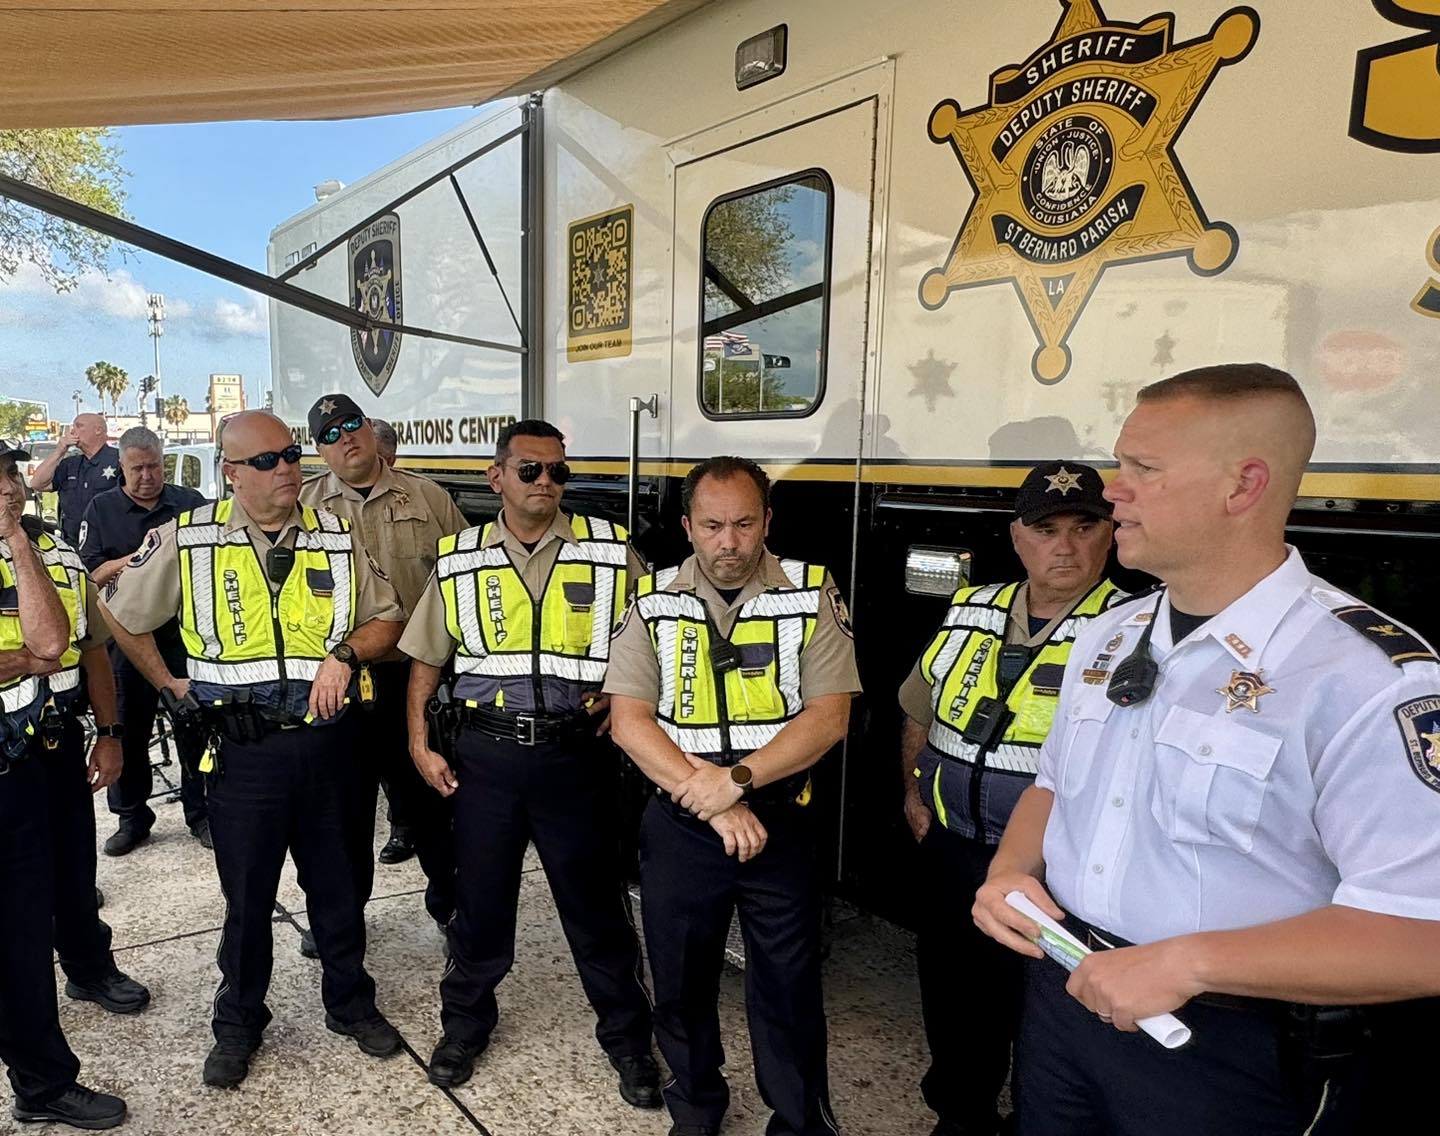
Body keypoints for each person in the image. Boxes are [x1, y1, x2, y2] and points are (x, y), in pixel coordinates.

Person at [974, 364, 1440, 1135]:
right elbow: (1053, 786)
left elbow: (1421, 935)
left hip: (1227, 1045)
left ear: (1242, 486)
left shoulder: (1366, 679)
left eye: (1141, 470)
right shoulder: (1108, 634)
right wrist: (1010, 873)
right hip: (1065, 1001)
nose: (1112, 491)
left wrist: (1187, 964)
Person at [99, 410, 407, 1089]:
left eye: (292, 455)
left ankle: (349, 1002)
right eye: (267, 461)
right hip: (244, 756)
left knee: (339, 891)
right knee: (248, 902)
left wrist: (345, 655)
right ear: (230, 472)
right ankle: (239, 1019)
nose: (287, 469)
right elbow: (118, 613)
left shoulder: (336, 533)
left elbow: (388, 618)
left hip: (331, 751)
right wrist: (168, 683)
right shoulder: (188, 538)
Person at [401, 419, 660, 1103]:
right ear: (497, 479)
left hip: (576, 756)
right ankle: (463, 1027)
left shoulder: (609, 550)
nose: (546, 483)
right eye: (531, 470)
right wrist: (418, 742)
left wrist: (625, 686)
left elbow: (660, 632)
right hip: (485, 756)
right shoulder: (458, 558)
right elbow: (428, 655)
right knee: (479, 907)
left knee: (597, 909)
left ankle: (630, 1042)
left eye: (558, 472)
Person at [607, 456, 861, 1136]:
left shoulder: (811, 591)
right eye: (713, 525)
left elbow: (828, 717)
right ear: (687, 526)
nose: (730, 541)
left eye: (745, 523)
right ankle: (695, 1108)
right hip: (684, 826)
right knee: (681, 983)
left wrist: (738, 781)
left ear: (767, 521)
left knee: (789, 986)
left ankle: (799, 1117)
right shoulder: (652, 599)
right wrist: (715, 799)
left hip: (780, 824)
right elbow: (630, 723)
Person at [900, 461, 1123, 1136]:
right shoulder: (972, 606)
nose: (1066, 545)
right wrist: (914, 794)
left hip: (1052, 869)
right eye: (1047, 528)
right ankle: (960, 1118)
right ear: (1017, 537)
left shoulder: (1134, 629)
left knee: (1041, 1015)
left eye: (1085, 526)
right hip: (950, 846)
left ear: (1110, 535)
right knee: (952, 998)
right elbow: (919, 707)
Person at [299, 393, 465, 950]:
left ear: (369, 429)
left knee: (432, 803)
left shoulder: (429, 497)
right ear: (319, 449)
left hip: (414, 680)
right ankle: (343, 921)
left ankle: (451, 911)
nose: (345, 438)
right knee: (341, 817)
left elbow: (463, 580)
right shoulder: (304, 507)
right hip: (338, 684)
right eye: (330, 434)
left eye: (352, 424)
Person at [0, 440, 129, 1131]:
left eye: (12, 473)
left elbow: (84, 646)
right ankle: (43, 1084)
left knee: (73, 874)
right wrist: (25, 656)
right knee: (15, 935)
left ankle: (88, 965)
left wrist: (109, 733)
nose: (9, 487)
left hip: (52, 741)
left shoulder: (49, 546)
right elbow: (42, 649)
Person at [78, 426, 210, 854]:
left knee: (194, 726)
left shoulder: (188, 504)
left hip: (182, 637)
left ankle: (202, 813)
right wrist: (139, 561)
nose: (147, 476)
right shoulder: (101, 509)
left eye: (154, 466)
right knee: (129, 731)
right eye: (137, 468)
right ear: (122, 466)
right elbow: (90, 574)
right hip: (127, 638)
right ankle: (133, 818)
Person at [29, 414, 121, 547]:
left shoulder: (118, 459)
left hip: (108, 543)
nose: (72, 431)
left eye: (79, 426)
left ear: (98, 430)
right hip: (73, 544)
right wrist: (59, 451)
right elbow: (37, 483)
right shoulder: (70, 464)